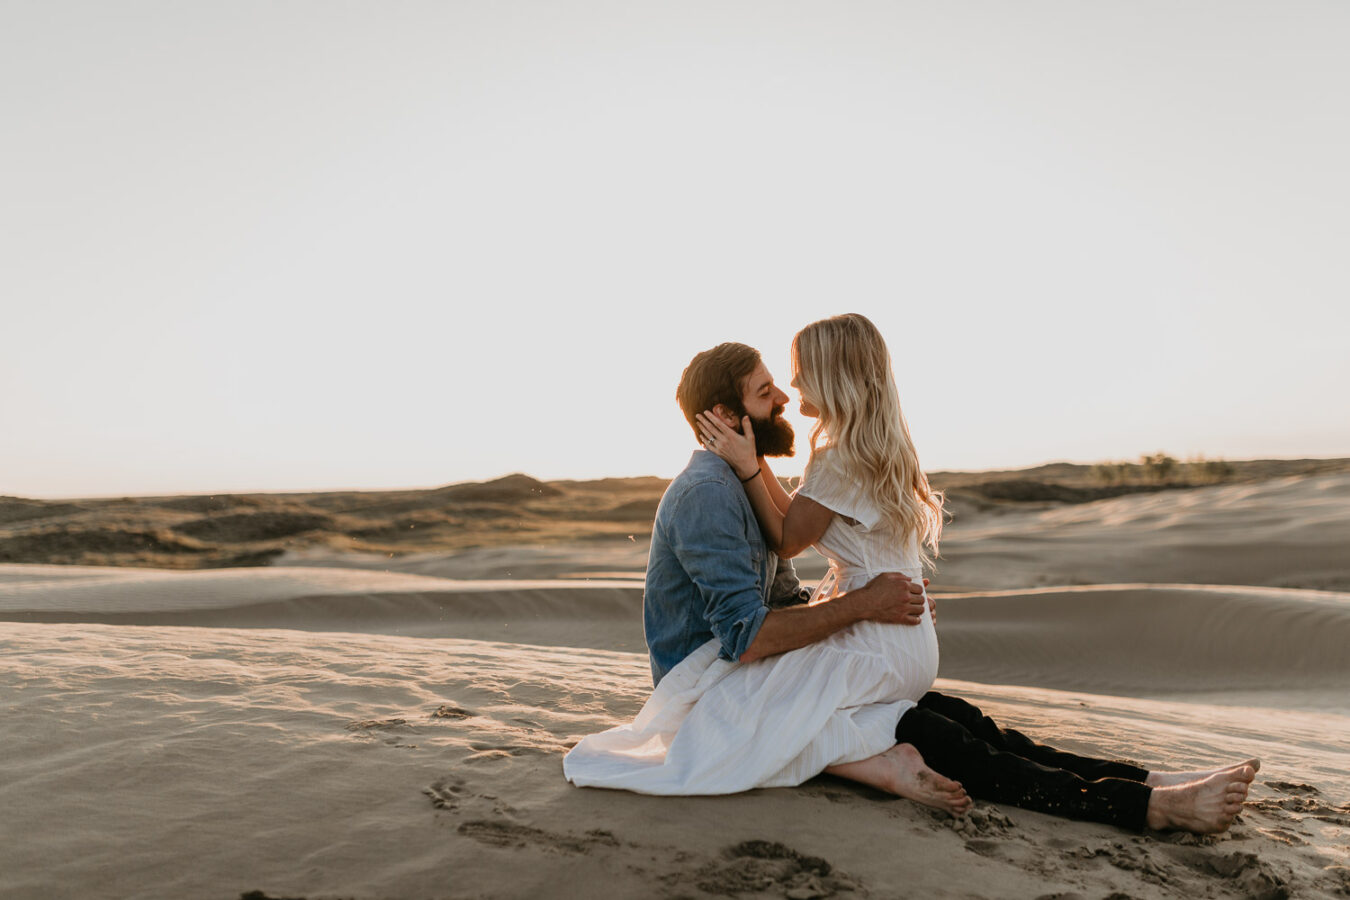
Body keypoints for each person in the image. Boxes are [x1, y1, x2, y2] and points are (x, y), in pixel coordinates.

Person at [564, 316, 1255, 833]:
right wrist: (854, 596)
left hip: (864, 634)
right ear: (727, 414)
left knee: (946, 728)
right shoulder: (743, 485)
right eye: (769, 388)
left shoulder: (806, 465)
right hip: (788, 658)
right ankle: (1148, 793)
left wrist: (846, 587)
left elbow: (784, 551)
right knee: (954, 727)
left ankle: (1148, 798)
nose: (787, 392)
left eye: (792, 377)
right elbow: (753, 622)